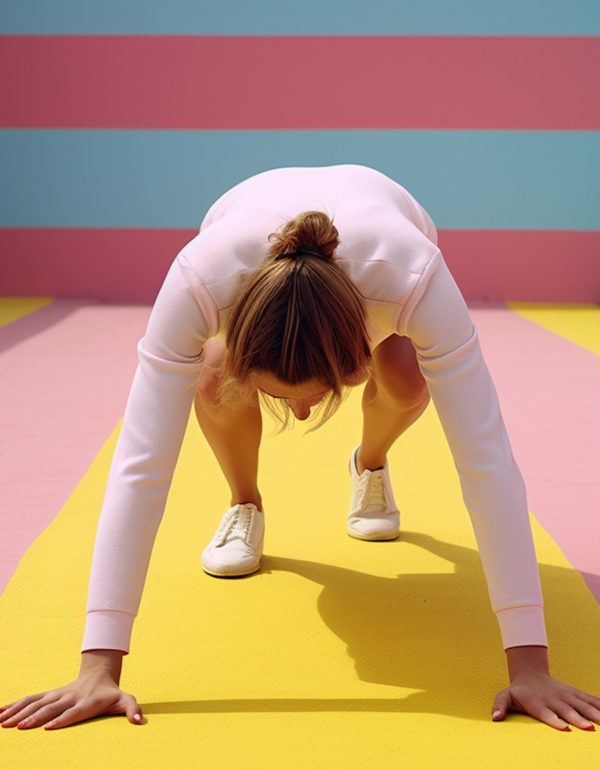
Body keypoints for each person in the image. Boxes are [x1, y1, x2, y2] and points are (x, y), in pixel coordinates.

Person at [2, 164, 599, 733]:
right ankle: (245, 503)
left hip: (384, 244)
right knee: (209, 379)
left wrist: (530, 667)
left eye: (319, 396)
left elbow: (486, 462)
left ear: (355, 356)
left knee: (410, 380)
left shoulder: (413, 278)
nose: (306, 413)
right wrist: (98, 668)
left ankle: (369, 462)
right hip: (249, 253)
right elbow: (140, 467)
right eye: (280, 396)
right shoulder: (197, 284)